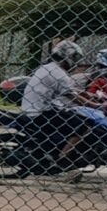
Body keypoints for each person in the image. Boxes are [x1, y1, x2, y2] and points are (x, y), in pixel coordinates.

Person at [21, 39, 88, 167]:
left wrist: (88, 95)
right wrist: (92, 104)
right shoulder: (59, 73)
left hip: (36, 108)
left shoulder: (48, 67)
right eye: (74, 57)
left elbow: (72, 89)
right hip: (42, 111)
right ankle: (61, 158)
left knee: (69, 115)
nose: (76, 61)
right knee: (83, 124)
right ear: (66, 55)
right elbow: (71, 95)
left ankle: (56, 150)